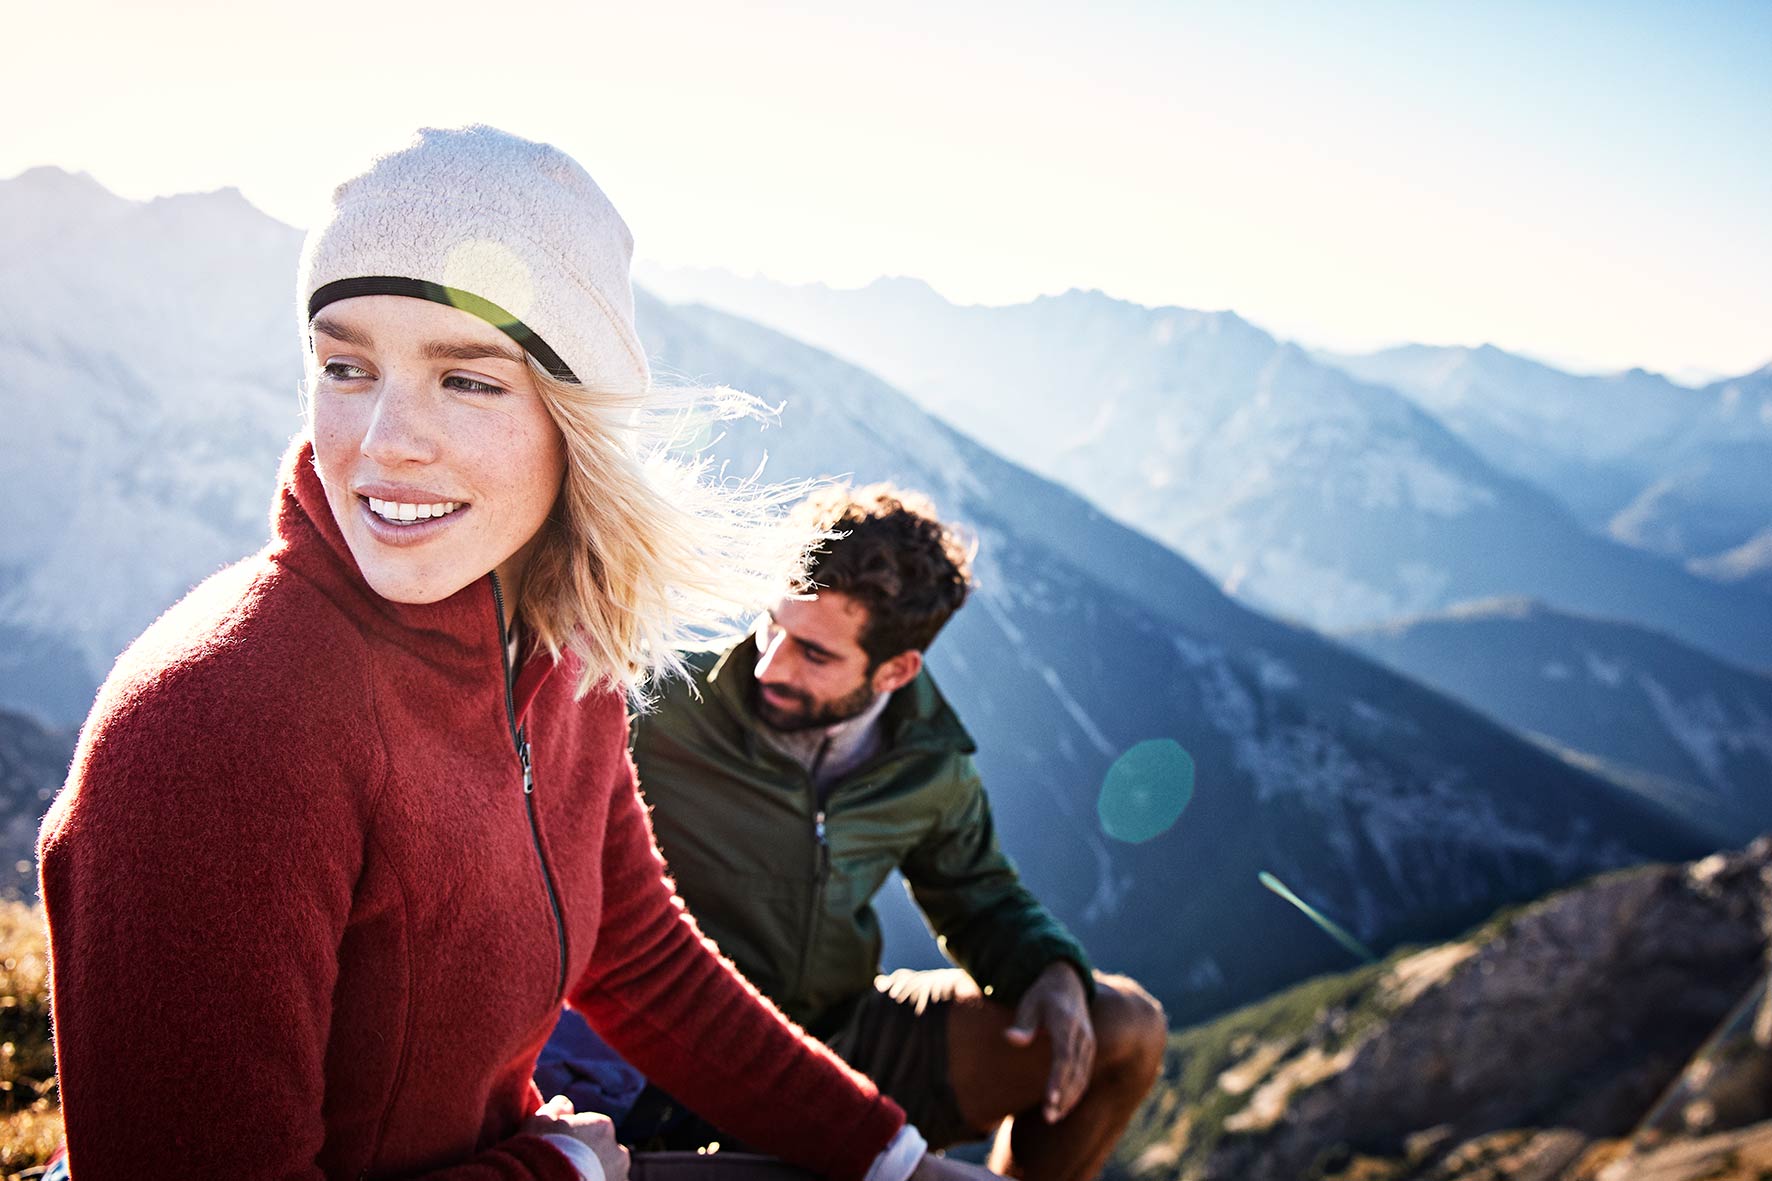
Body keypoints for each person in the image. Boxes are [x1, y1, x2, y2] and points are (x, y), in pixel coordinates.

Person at [35, 125, 990, 1181]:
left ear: (574, 421)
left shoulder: (554, 647)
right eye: (346, 365)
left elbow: (639, 958)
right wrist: (555, 1171)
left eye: (468, 380)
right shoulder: (219, 722)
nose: (384, 437)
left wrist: (888, 1155)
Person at [571, 486, 1167, 1181]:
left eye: (815, 655)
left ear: (896, 670)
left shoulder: (928, 763)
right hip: (682, 1042)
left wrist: (1051, 971)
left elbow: (979, 895)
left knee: (1121, 1030)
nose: (771, 664)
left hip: (843, 1032)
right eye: (772, 626)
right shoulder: (661, 706)